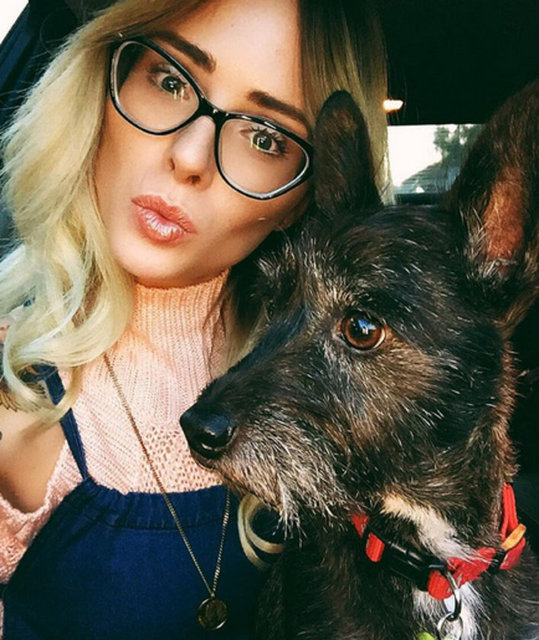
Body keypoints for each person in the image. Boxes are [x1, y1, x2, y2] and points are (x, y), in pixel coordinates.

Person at [0, 0, 389, 637]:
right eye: (172, 81)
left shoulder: (361, 389)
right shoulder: (15, 394)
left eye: (265, 138)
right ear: (106, 80)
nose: (189, 156)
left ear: (306, 196)